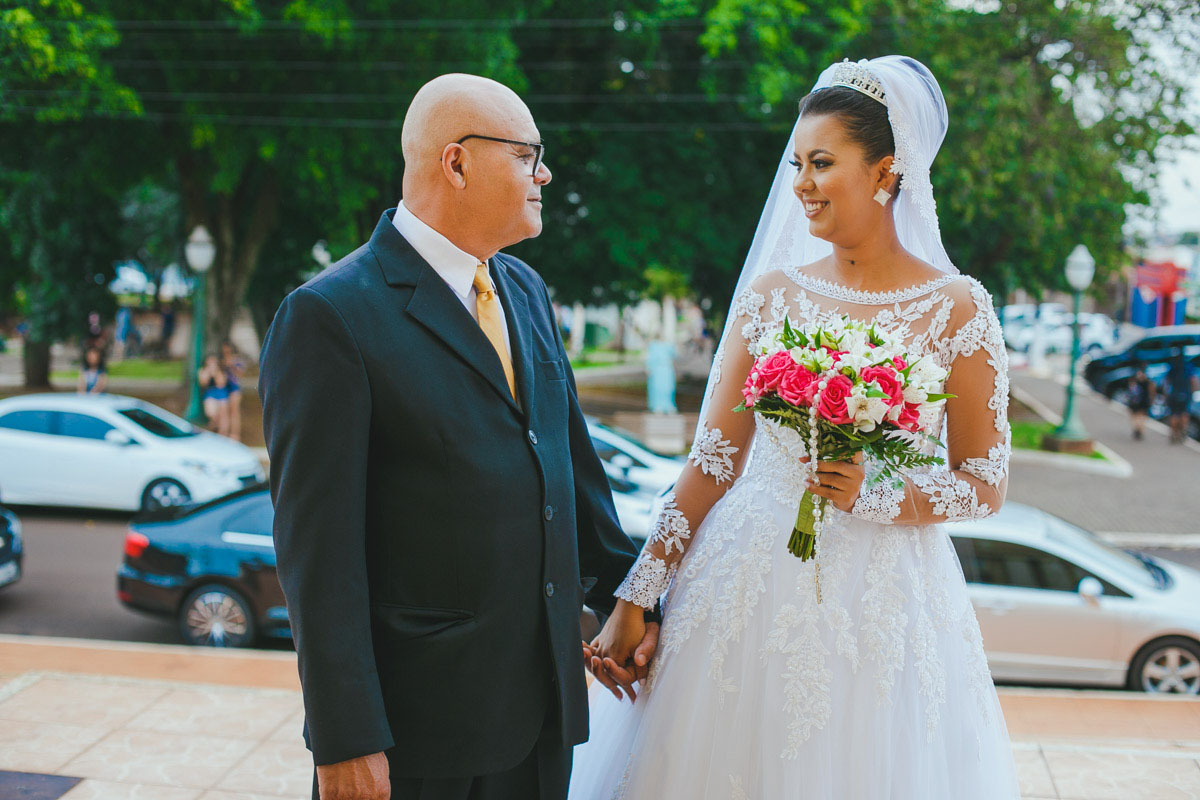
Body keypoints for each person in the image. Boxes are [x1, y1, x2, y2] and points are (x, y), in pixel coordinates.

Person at [573, 56, 1020, 799]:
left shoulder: (957, 309)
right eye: (797, 164)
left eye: (821, 163)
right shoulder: (771, 297)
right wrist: (635, 594)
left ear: (884, 172)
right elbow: (712, 462)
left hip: (882, 604)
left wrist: (877, 492)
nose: (802, 183)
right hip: (744, 585)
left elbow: (985, 483)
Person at [259, 73, 657, 800]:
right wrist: (345, 736)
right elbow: (318, 554)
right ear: (457, 161)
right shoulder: (328, 316)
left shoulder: (525, 290)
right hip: (419, 734)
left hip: (542, 715)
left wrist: (638, 600)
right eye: (527, 154)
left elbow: (572, 481)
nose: (545, 172)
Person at [1165, 348, 1198, 444]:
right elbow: (1194, 380)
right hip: (1185, 393)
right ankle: (1183, 431)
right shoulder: (1188, 366)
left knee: (1174, 414)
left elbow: (1167, 382)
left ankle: (1173, 433)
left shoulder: (1173, 366)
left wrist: (1166, 394)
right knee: (1184, 413)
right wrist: (1193, 391)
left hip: (1174, 393)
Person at [197, 353, 231, 436]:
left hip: (221, 393)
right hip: (210, 393)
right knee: (211, 414)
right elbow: (203, 383)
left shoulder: (220, 370)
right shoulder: (202, 370)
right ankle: (213, 430)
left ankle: (223, 433)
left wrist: (215, 372)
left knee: (223, 414)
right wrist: (209, 371)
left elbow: (221, 383)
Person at [220, 340, 246, 442]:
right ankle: (224, 433)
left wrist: (231, 364)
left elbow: (240, 374)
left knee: (234, 411)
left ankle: (234, 434)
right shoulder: (221, 360)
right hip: (224, 387)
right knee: (224, 411)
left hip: (234, 387)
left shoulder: (237, 361)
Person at [1127, 361, 1155, 440]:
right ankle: (1140, 430)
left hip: (1135, 400)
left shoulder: (1134, 377)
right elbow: (1152, 389)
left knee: (1135, 415)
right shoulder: (1148, 379)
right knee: (1142, 415)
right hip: (1144, 399)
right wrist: (1152, 399)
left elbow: (1130, 388)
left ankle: (1136, 428)